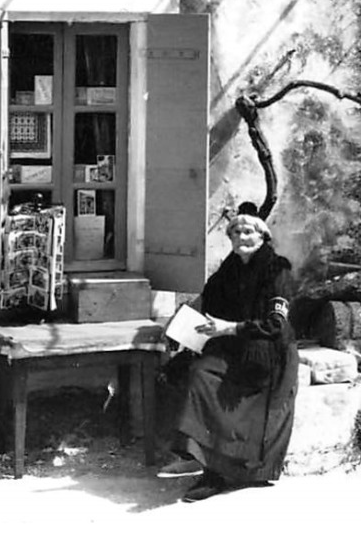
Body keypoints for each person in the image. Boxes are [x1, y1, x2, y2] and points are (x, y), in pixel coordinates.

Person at [156, 203, 299, 502]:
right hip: (234, 345)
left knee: (214, 384)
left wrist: (229, 329)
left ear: (262, 237)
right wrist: (177, 324)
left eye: (248, 231)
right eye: (235, 232)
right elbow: (207, 300)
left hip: (268, 354)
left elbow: (274, 325)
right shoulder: (230, 268)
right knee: (193, 371)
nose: (241, 237)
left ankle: (216, 473)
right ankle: (203, 459)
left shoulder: (277, 269)